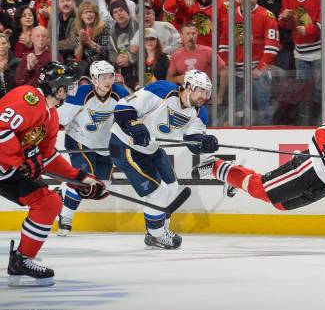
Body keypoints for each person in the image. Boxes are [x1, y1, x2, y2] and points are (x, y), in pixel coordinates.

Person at [1, 62, 108, 286]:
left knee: (49, 202)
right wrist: (21, 159)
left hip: (7, 171)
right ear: (56, 86)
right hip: (7, 165)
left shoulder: (51, 116)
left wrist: (80, 179)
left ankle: (22, 260)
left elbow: (47, 157)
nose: (70, 92)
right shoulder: (28, 97)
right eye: (67, 87)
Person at [192, 109, 325, 210]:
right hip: (312, 168)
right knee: (264, 192)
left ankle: (235, 179)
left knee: (281, 205)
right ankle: (216, 167)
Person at [109, 69, 219, 249]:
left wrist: (204, 142)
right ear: (189, 87)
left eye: (207, 92)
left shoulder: (199, 112)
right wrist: (134, 125)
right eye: (201, 90)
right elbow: (123, 107)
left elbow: (192, 140)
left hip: (151, 148)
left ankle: (157, 227)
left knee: (172, 186)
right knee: (157, 193)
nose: (204, 96)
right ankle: (157, 235)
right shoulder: (163, 91)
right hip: (124, 145)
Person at [56, 61, 129, 235]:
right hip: (79, 140)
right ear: (94, 79)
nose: (108, 80)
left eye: (111, 76)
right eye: (103, 77)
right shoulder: (81, 92)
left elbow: (133, 115)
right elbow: (62, 118)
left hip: (104, 145)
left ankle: (63, 190)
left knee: (103, 187)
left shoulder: (120, 93)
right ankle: (65, 218)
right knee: (85, 181)